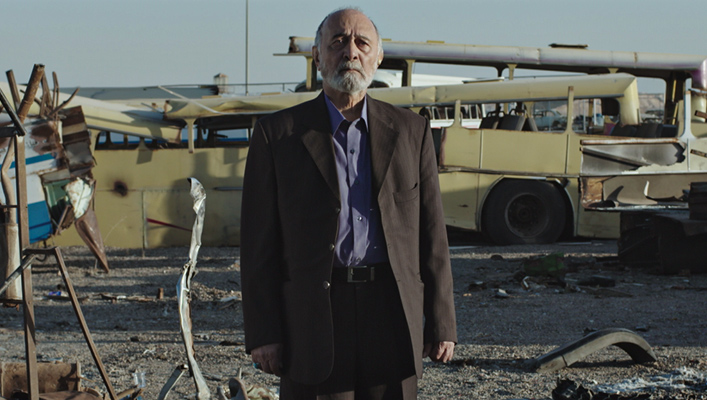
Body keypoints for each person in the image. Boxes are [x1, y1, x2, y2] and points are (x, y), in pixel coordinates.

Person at [240, 7, 457, 399]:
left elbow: (432, 234)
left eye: (362, 43)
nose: (350, 52)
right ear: (317, 56)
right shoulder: (278, 135)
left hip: (390, 308)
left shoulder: (412, 131)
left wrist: (442, 322)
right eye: (337, 42)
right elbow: (258, 246)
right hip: (313, 316)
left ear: (378, 56)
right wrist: (264, 333)